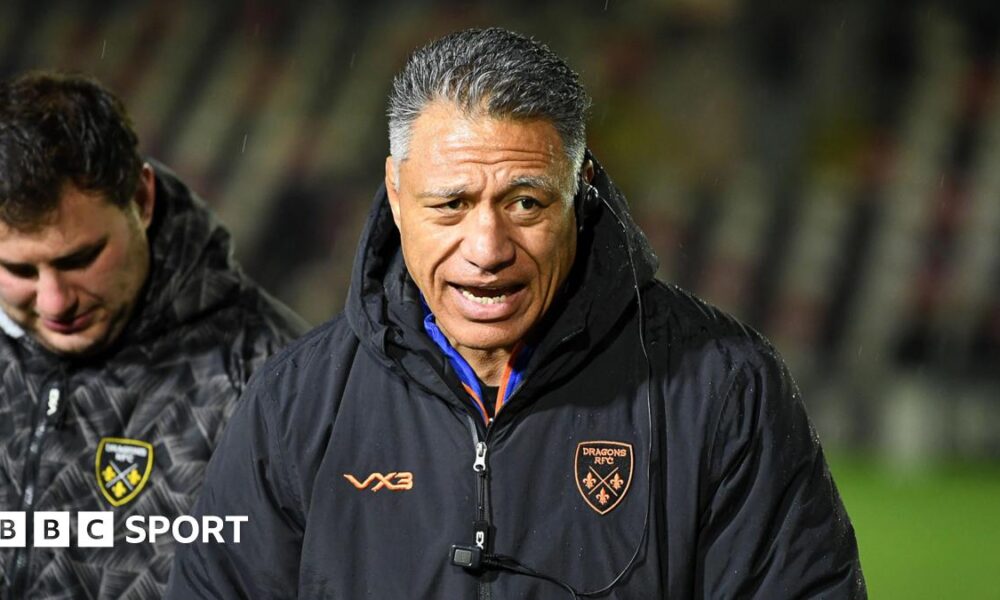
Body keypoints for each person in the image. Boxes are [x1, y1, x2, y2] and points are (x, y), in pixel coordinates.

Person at [168, 28, 866, 598]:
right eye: (450, 204)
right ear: (395, 191)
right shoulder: (295, 402)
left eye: (526, 203)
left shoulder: (724, 391)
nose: (487, 248)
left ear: (580, 189)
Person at [0, 72, 306, 599]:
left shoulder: (274, 383)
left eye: (80, 259)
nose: (54, 301)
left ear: (141, 199)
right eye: (19, 270)